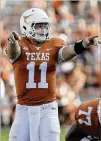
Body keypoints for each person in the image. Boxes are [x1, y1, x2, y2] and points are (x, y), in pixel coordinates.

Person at [7, 8, 99, 141]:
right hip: (23, 108)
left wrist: (82, 45)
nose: (43, 30)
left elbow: (65, 52)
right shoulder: (19, 44)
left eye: (45, 26)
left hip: (47, 107)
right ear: (26, 26)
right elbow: (13, 53)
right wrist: (12, 42)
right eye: (39, 26)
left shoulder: (54, 43)